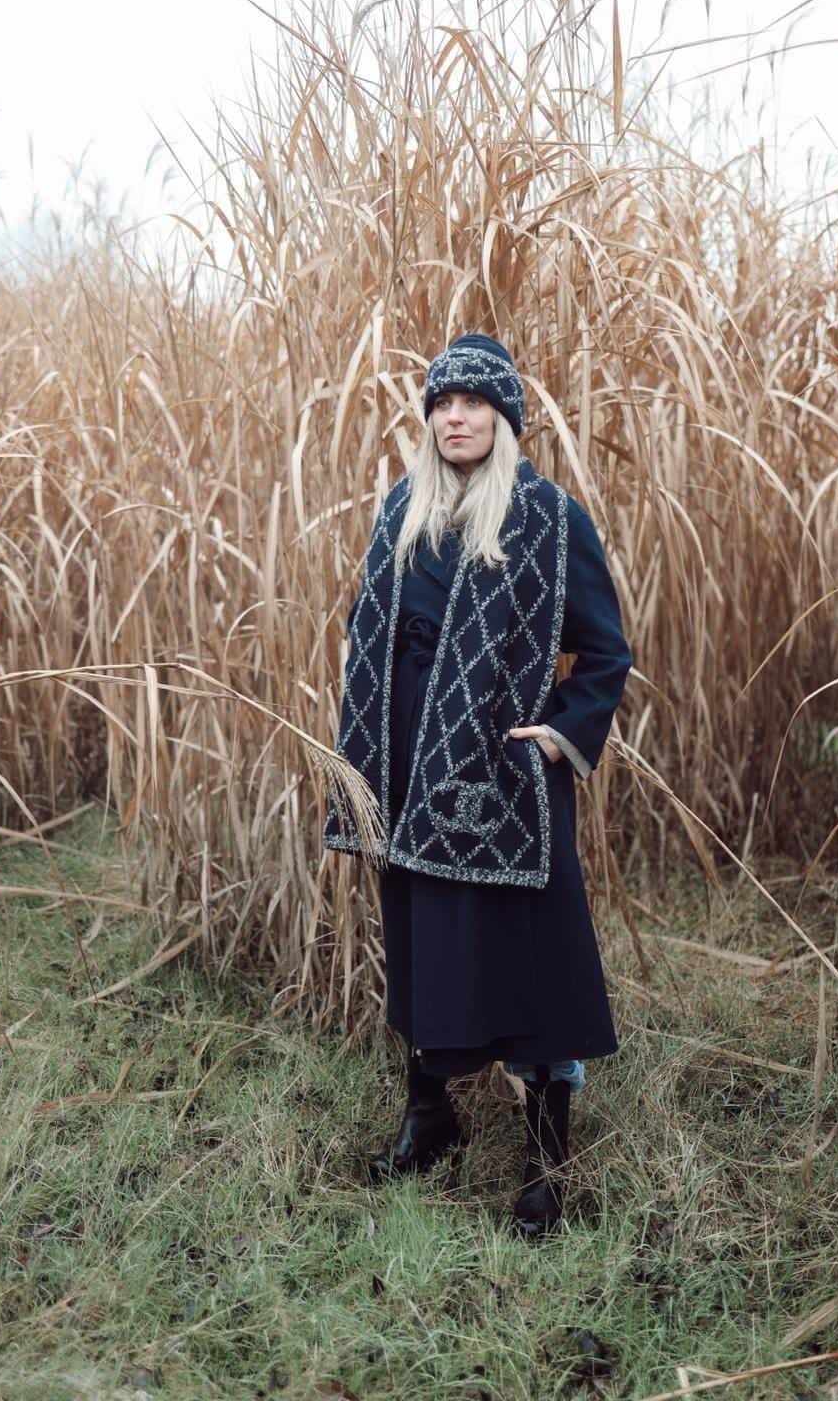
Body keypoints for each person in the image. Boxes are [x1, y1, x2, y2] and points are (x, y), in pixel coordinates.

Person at [324, 332, 633, 1236]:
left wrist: (563, 735)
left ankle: (547, 1157)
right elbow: (369, 635)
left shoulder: (547, 518)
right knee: (422, 938)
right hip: (407, 762)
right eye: (442, 403)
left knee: (534, 957)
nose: (456, 416)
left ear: (504, 416)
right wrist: (364, 757)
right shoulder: (401, 511)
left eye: (475, 402)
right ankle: (432, 1117)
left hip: (504, 772)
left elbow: (605, 651)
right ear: (429, 420)